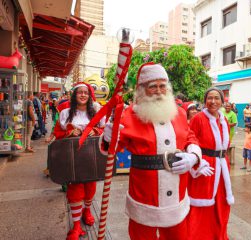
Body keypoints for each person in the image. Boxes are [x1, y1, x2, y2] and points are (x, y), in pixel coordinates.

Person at [102, 63, 202, 240]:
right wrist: (107, 138)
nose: (158, 90)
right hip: (144, 194)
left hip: (177, 191)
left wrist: (193, 156)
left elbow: (190, 137)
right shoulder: (129, 114)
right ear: (142, 89)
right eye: (152, 86)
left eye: (162, 86)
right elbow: (113, 150)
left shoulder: (178, 113)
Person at [58, 82, 105, 239]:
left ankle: (87, 210)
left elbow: (106, 132)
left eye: (86, 92)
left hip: (92, 157)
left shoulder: (97, 113)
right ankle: (76, 226)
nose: (83, 95)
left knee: (91, 186)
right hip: (73, 158)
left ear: (89, 95)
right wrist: (70, 133)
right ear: (74, 95)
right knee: (75, 189)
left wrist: (96, 130)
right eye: (80, 92)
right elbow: (58, 133)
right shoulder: (65, 113)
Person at [187, 87, 234, 240]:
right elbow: (188, 142)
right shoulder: (198, 119)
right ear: (205, 100)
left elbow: (225, 145)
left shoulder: (224, 119)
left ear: (222, 101)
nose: (213, 101)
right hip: (204, 167)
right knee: (201, 205)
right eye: (209, 98)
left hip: (222, 166)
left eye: (216, 98)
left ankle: (218, 235)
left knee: (221, 203)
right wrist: (198, 164)